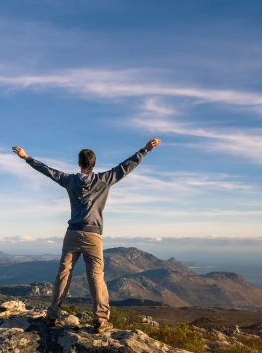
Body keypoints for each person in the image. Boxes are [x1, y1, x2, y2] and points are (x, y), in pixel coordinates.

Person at [12, 139, 161, 332]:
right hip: (93, 236)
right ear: (93, 164)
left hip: (72, 234)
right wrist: (145, 149)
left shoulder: (70, 180)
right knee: (96, 276)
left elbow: (47, 170)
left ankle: (52, 316)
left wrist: (26, 157)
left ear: (79, 164)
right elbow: (126, 166)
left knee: (63, 274)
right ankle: (100, 321)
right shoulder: (104, 179)